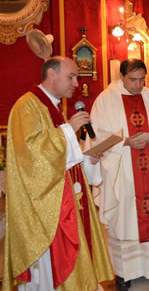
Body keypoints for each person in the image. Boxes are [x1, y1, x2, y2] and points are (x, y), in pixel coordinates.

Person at [3, 56, 114, 290]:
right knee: (49, 272)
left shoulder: (52, 106)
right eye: (71, 76)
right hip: (45, 212)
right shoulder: (27, 106)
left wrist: (85, 158)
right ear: (51, 74)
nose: (76, 83)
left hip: (66, 202)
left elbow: (61, 157)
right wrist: (68, 131)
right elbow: (31, 158)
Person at [90, 58, 149, 290]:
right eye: (133, 80)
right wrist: (126, 142)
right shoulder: (106, 99)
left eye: (142, 79)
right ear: (122, 77)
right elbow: (96, 134)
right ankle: (122, 272)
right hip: (123, 168)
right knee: (124, 216)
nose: (138, 85)